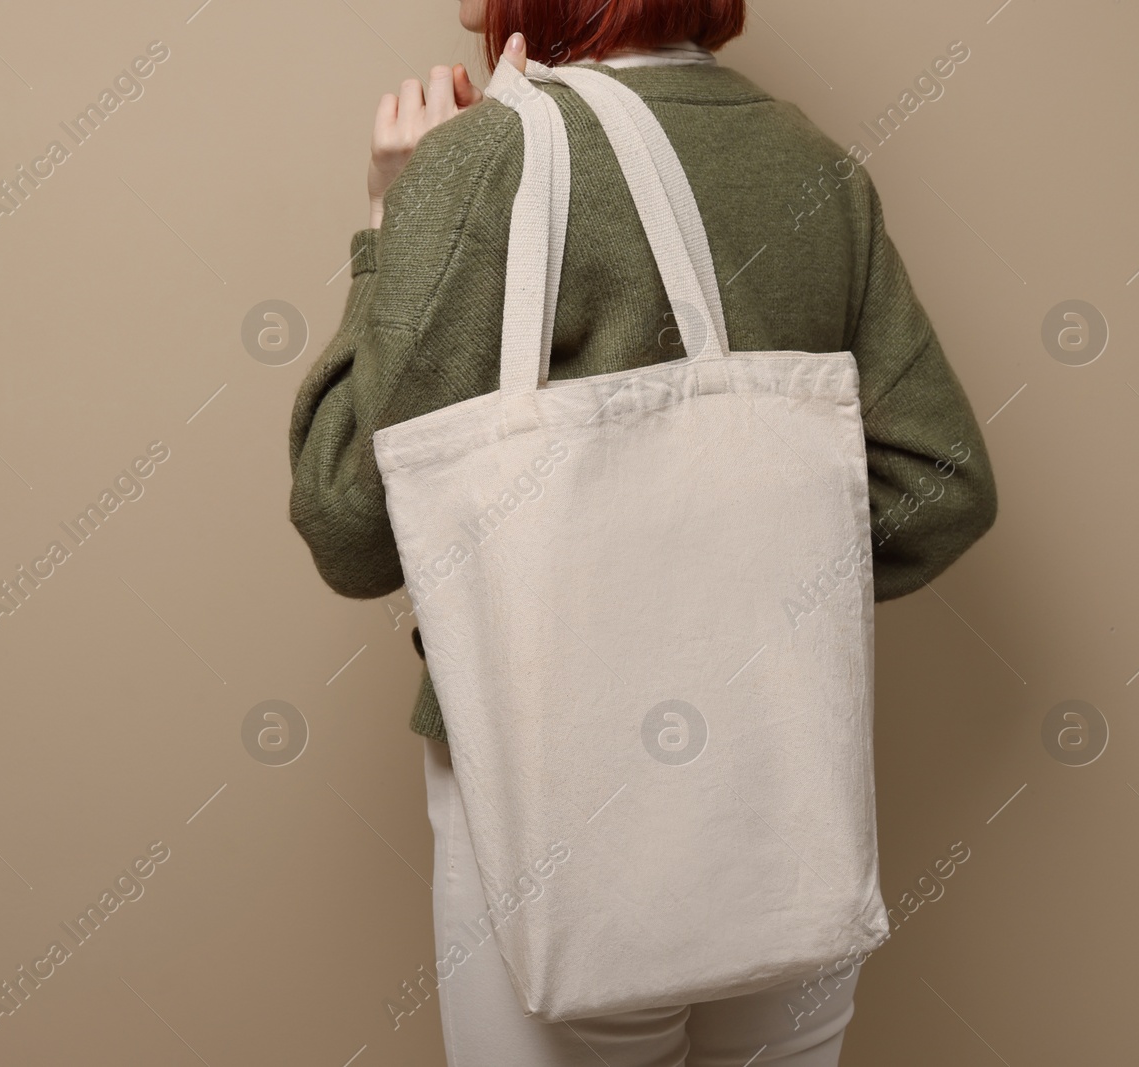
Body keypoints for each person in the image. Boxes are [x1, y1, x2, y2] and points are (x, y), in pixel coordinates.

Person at [288, 1, 998, 1063]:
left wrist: (390, 220)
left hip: (552, 802)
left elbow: (346, 519)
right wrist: (757, 593)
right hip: (780, 798)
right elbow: (938, 484)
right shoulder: (815, 164)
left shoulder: (484, 162)